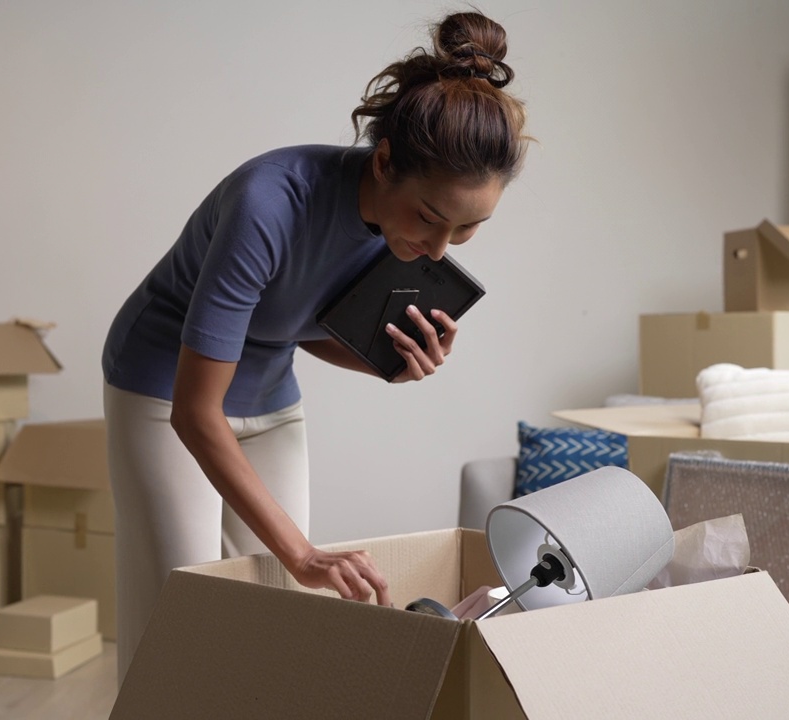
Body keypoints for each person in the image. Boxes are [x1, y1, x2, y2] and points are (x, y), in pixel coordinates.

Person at [101, 9, 528, 684]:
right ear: (385, 162)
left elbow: (298, 326)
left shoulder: (400, 228)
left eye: (468, 230)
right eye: (430, 218)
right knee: (179, 610)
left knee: (276, 604)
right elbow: (194, 412)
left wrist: (390, 366)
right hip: (163, 390)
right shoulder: (268, 204)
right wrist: (305, 553)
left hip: (270, 391)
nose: (438, 249)